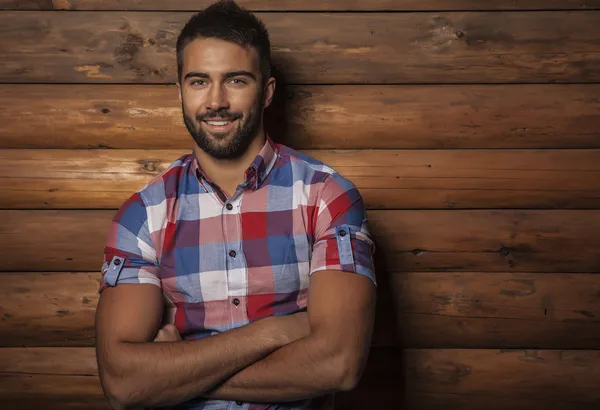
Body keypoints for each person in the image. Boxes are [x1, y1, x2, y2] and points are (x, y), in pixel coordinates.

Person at [94, 1, 376, 409]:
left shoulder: (326, 197)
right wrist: (273, 333)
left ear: (267, 92)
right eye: (198, 82)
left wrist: (170, 373)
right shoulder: (143, 214)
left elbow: (339, 363)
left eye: (236, 80)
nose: (215, 101)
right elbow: (122, 382)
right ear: (179, 92)